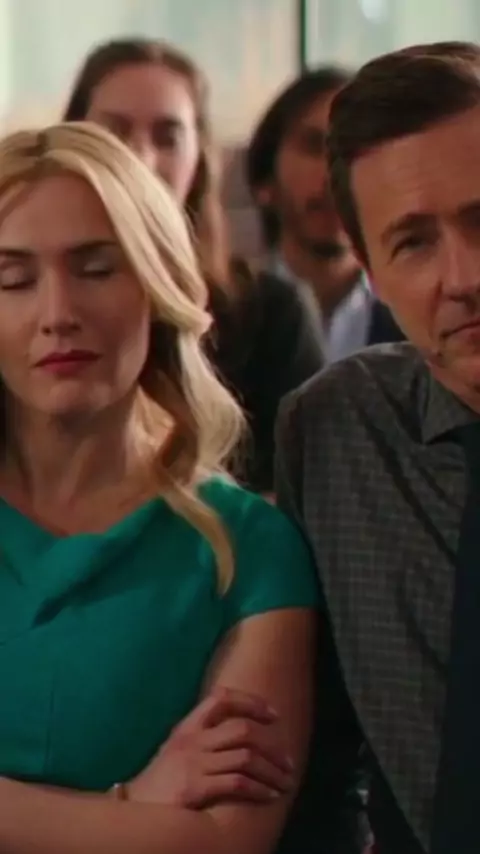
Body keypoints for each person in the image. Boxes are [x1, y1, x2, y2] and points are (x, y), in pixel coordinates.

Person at [0, 121, 318, 853]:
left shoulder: (246, 547)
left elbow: (223, 843)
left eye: (97, 269)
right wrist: (130, 804)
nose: (58, 314)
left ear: (158, 284)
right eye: (13, 281)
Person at [275, 41, 480, 854]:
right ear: (370, 270)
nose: (464, 277)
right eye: (414, 242)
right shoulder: (339, 429)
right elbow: (322, 760)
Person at [62, 38, 324, 493]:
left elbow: (300, 495)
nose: (140, 157)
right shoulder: (26, 307)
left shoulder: (272, 313)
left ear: (199, 160)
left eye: (167, 137)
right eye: (115, 131)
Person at [246, 67, 403, 364]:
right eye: (314, 146)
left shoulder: (418, 318)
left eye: (357, 150)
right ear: (265, 180)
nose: (334, 175)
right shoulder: (228, 318)